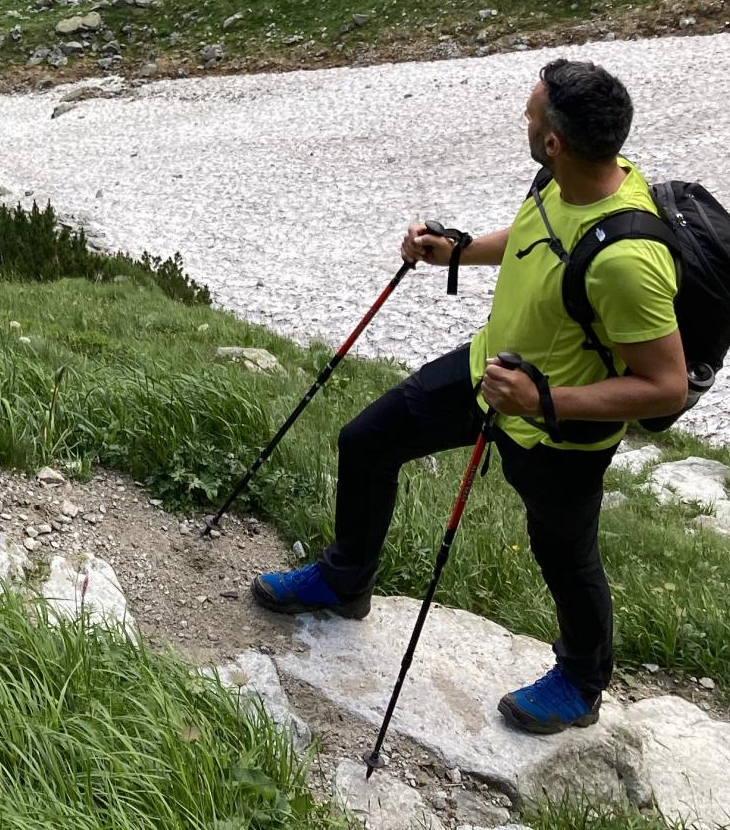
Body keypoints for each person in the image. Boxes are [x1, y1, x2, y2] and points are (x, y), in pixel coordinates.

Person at [249, 58, 687, 736]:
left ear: (554, 142)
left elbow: (665, 386)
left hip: (556, 430)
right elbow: (536, 239)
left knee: (564, 554)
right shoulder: (563, 179)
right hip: (489, 373)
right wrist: (454, 252)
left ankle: (582, 680)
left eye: (530, 115)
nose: (524, 120)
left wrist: (543, 402)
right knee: (366, 441)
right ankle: (345, 581)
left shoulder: (630, 256)